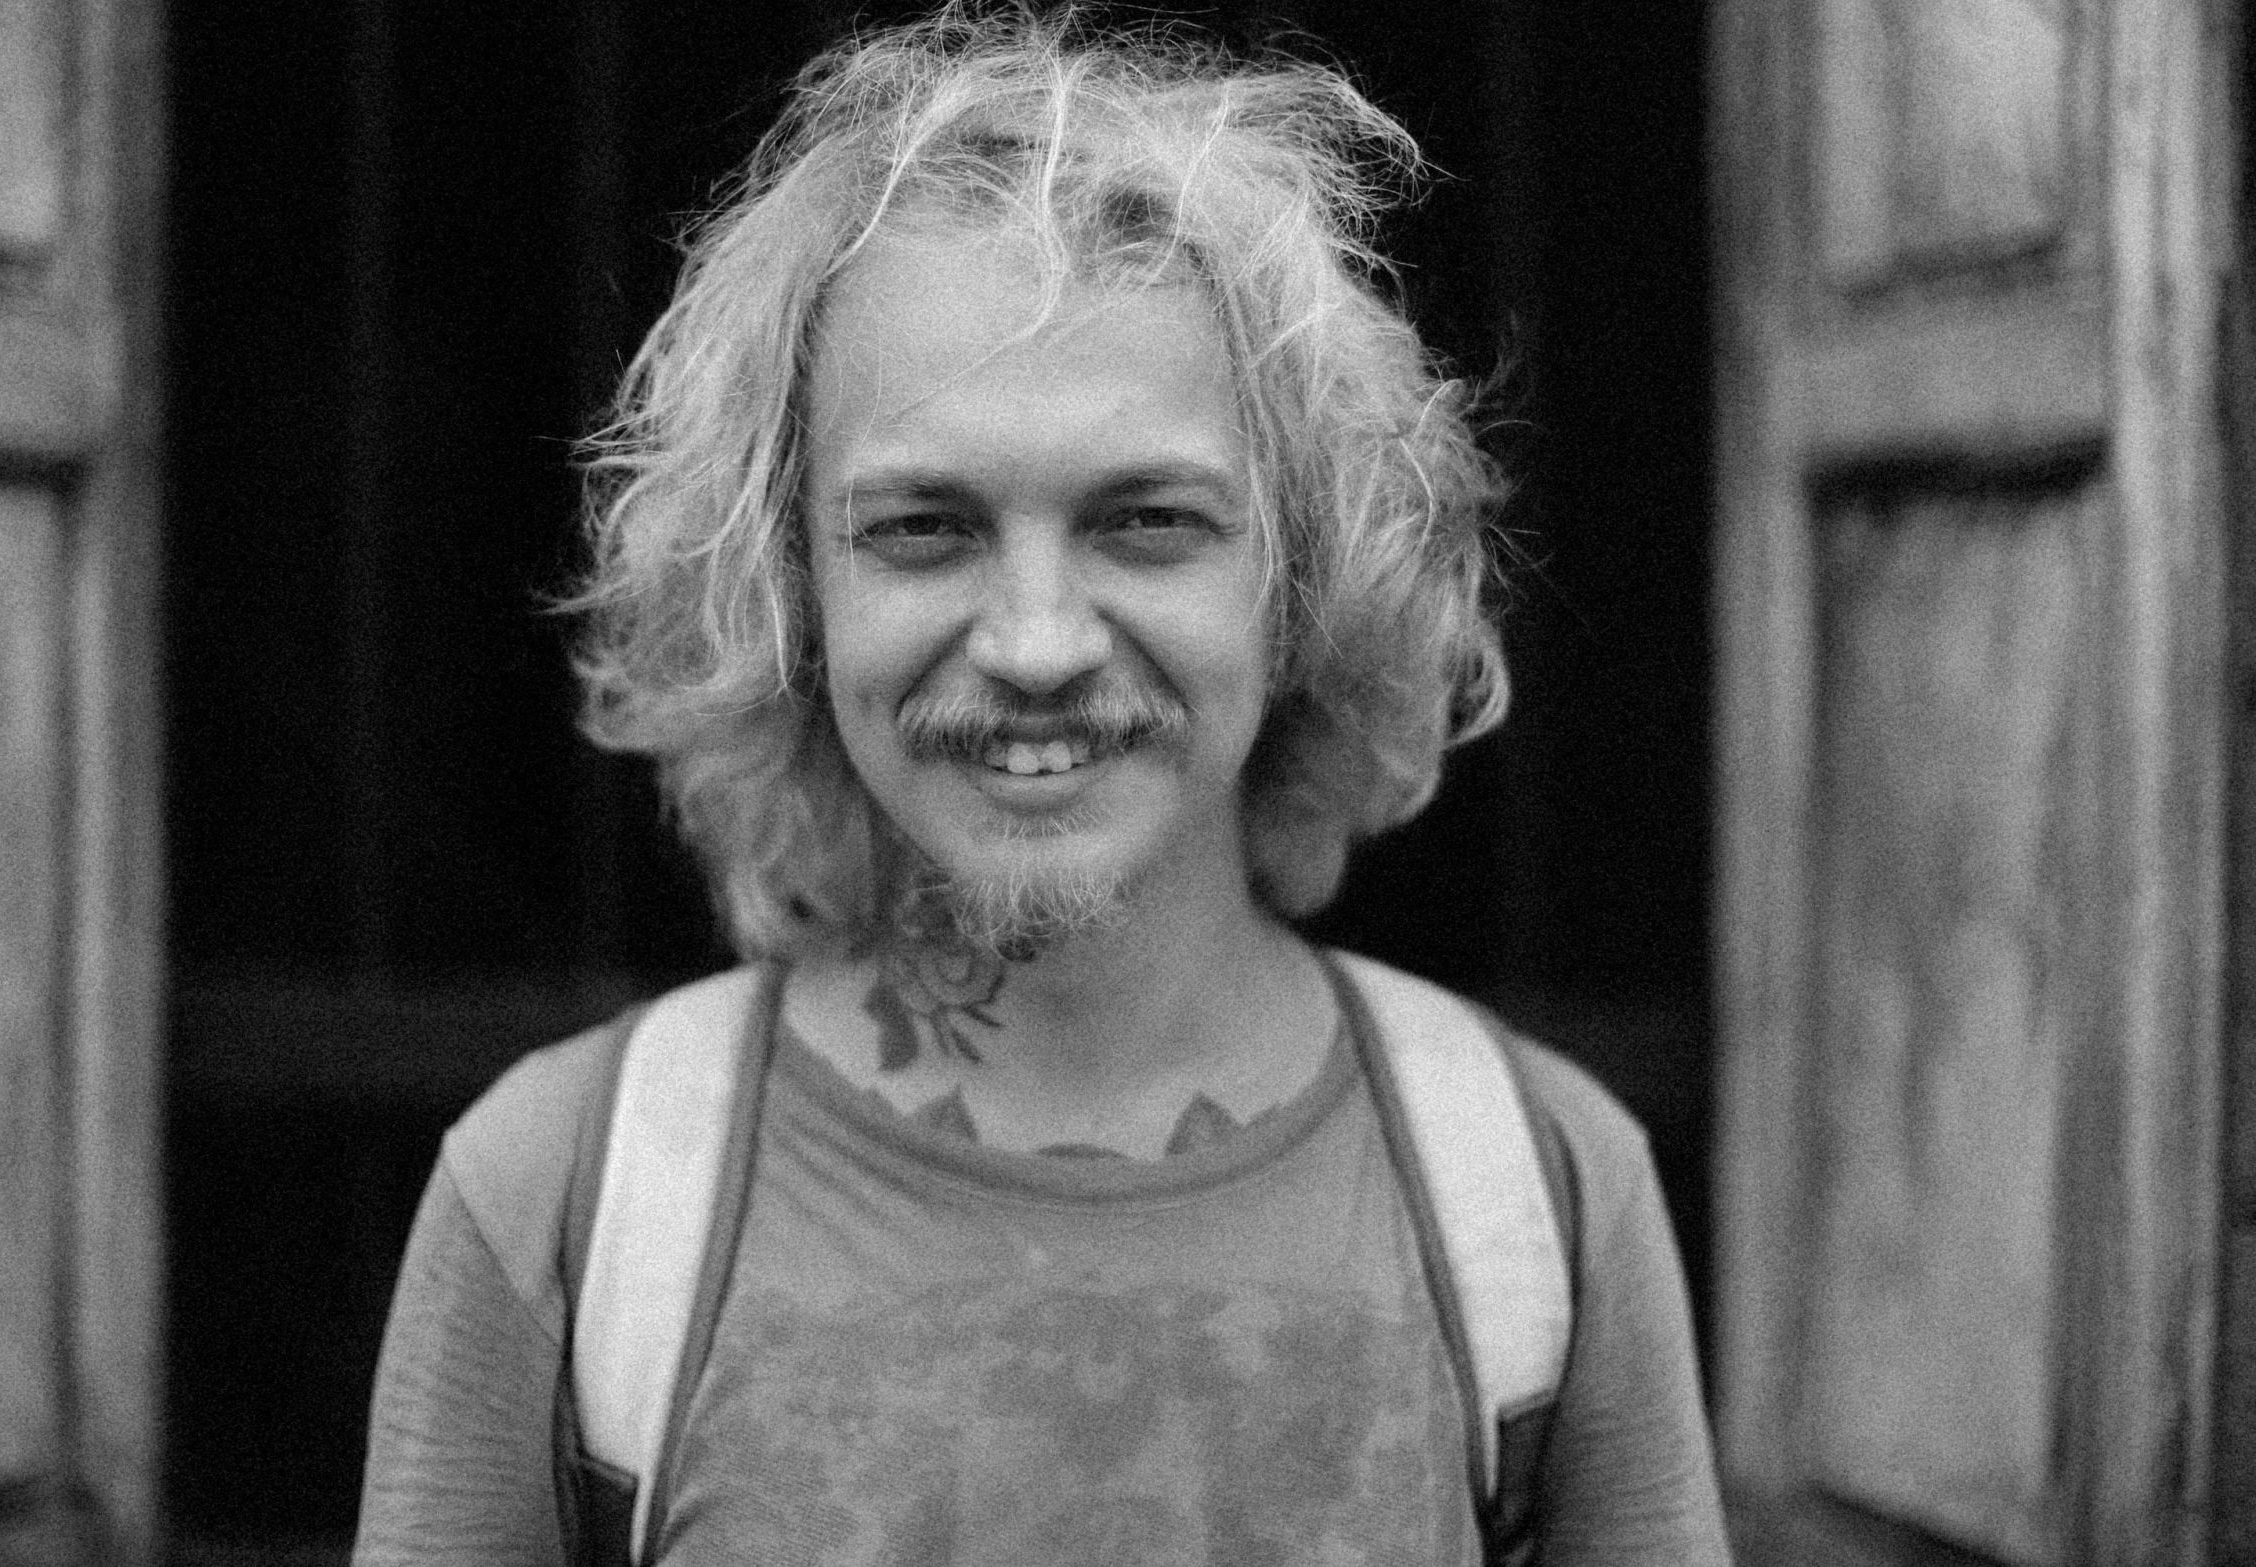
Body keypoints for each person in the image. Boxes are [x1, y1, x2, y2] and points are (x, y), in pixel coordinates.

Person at [354, 7, 1730, 1564]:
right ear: (786, 598)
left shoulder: (1538, 1194)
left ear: (1306, 582)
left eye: (1146, 521)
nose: (1033, 642)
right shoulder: (565, 1202)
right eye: (922, 528)